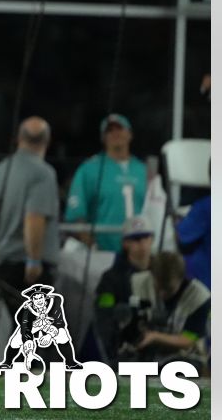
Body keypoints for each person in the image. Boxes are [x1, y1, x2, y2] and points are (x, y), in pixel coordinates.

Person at [0, 117, 62, 320]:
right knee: (34, 337)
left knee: (13, 331)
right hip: (28, 269)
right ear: (47, 141)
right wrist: (34, 260)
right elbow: (34, 218)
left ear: (19, 138)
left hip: (1, 264)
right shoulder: (43, 173)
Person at [65, 113, 148, 252]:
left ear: (130, 134)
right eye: (109, 130)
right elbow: (77, 215)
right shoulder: (89, 170)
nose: (115, 133)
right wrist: (92, 246)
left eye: (120, 128)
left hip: (140, 253)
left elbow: (156, 211)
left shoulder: (143, 171)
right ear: (103, 138)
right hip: (102, 253)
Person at [93, 216, 155, 361]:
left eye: (145, 238)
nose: (142, 244)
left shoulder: (162, 272)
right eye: (135, 239)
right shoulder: (111, 278)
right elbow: (104, 313)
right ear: (125, 243)